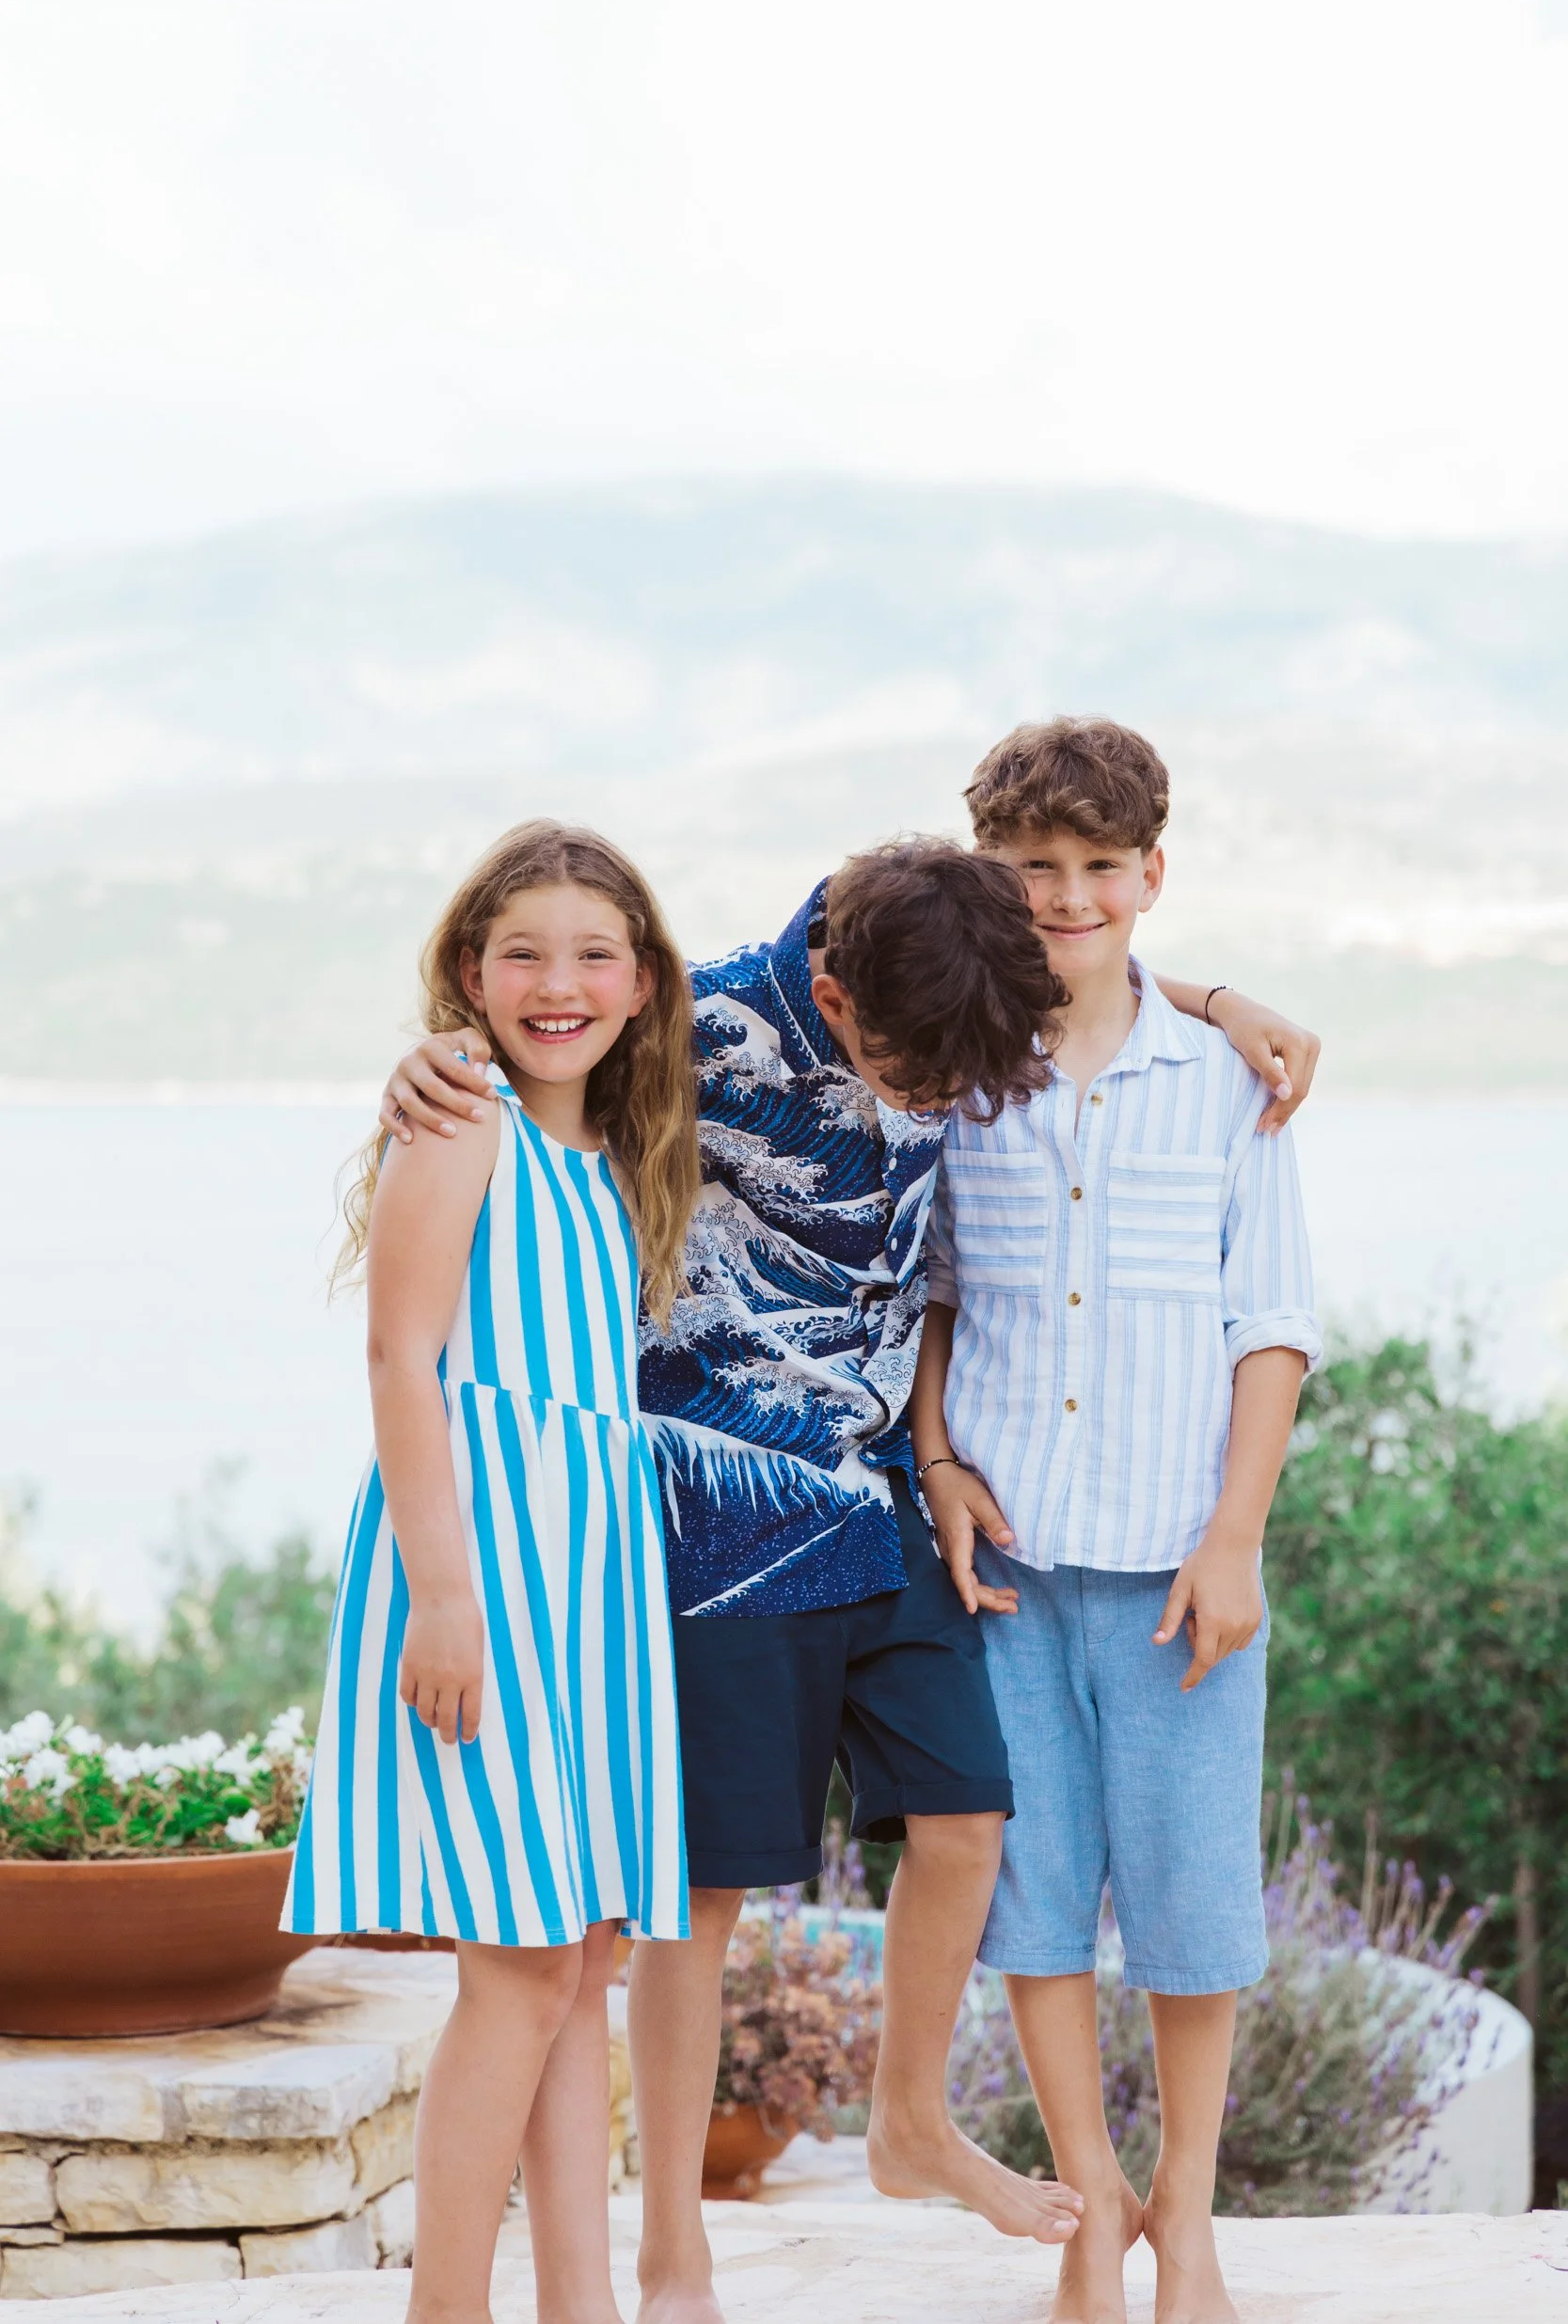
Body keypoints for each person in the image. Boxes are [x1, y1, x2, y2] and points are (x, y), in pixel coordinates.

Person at [383, 828, 1321, 2324]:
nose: (932, 1098)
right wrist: (423, 1069)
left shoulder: (950, 970)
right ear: (827, 983)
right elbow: (544, 1033)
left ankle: (907, 2124)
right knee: (702, 1899)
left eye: (957, 1080)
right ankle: (673, 2252)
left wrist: (1214, 1003)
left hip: (884, 1495)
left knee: (966, 1819)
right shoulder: (699, 1027)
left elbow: (1081, 950)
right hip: (706, 1512)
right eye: (907, 1070)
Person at [911, 718, 1322, 2324]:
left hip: (1178, 1578)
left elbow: (1268, 1323)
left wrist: (1235, 1539)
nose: (1064, 895)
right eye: (1031, 869)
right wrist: (938, 1462)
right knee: (1036, 1901)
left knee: (1192, 1908)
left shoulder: (1228, 1080)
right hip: (1005, 1572)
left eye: (1097, 867)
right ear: (988, 879)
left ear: (1153, 876)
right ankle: (1091, 2208)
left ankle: (1192, 2223)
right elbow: (931, 1302)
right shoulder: (953, 1076)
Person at [286, 821, 699, 2324]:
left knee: (578, 1961)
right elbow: (402, 1356)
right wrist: (448, 1596)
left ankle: (577, 2308)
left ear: (644, 985)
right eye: (520, 951)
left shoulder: (598, 1158)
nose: (556, 982)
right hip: (481, 1563)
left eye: (595, 954)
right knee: (518, 1969)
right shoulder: (460, 1116)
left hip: (589, 1578)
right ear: (470, 971)